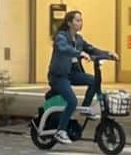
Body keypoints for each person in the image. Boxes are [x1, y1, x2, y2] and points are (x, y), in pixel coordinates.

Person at [47, 9, 117, 147]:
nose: (80, 23)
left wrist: (108, 54)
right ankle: (60, 131)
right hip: (59, 76)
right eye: (77, 20)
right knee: (72, 101)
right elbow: (64, 48)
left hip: (72, 74)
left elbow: (92, 49)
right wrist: (79, 54)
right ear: (69, 23)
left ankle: (86, 108)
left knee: (94, 81)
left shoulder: (79, 39)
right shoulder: (61, 37)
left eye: (81, 20)